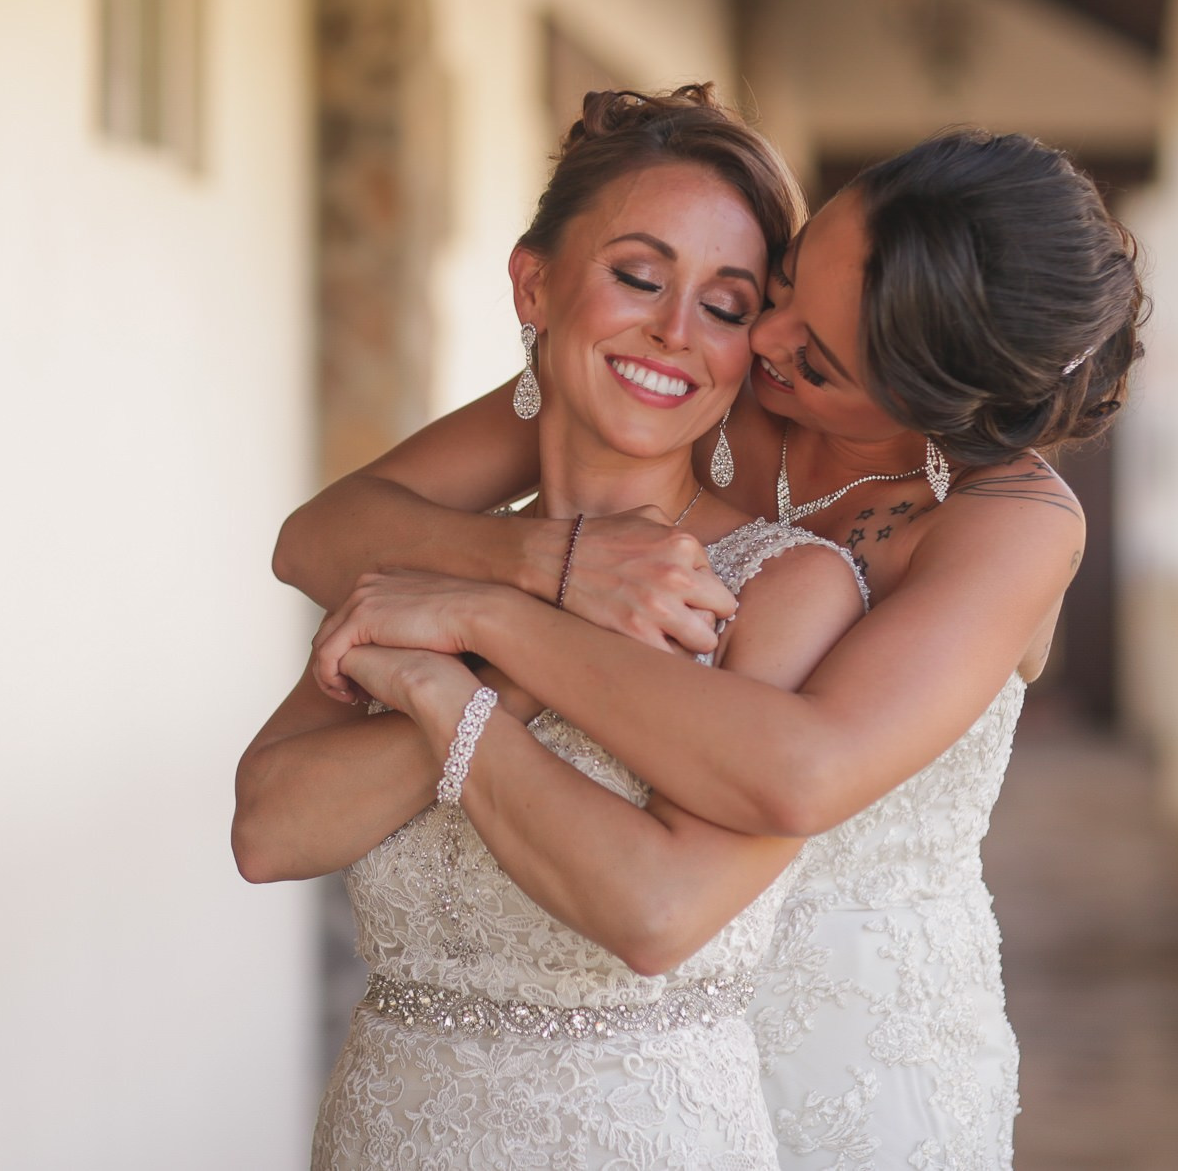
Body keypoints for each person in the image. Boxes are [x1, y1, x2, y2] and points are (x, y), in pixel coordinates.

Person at [284, 126, 1148, 1168]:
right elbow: (320, 537)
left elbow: (801, 769)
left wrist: (494, 623)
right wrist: (547, 557)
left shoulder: (1005, 519)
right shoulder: (702, 377)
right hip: (645, 1047)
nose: (764, 339)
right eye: (781, 284)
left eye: (815, 357)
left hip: (858, 1052)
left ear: (935, 409)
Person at [233, 86, 873, 1168]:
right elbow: (268, 829)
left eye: (723, 305)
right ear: (534, 285)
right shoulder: (432, 563)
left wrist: (450, 682)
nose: (674, 332)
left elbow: (651, 918)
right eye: (637, 276)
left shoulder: (783, 586)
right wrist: (533, 609)